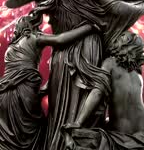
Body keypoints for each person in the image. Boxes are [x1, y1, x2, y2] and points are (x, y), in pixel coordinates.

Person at [5, 0, 144, 150]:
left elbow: (11, 1)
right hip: (90, 50)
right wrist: (143, 6)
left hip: (62, 52)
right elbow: (120, 10)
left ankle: (58, 144)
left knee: (61, 107)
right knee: (88, 107)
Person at [0, 13, 99, 150]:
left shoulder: (11, 48)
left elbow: (17, 73)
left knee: (9, 138)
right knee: (33, 130)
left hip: (4, 94)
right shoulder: (33, 38)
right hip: (23, 95)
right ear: (30, 27)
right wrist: (89, 27)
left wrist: (44, 89)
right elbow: (60, 39)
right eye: (37, 25)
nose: (40, 28)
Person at [62, 31, 144, 150]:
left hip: (124, 130)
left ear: (124, 44)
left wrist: (78, 122)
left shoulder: (110, 63)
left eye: (121, 37)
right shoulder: (137, 73)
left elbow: (97, 92)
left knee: (82, 143)